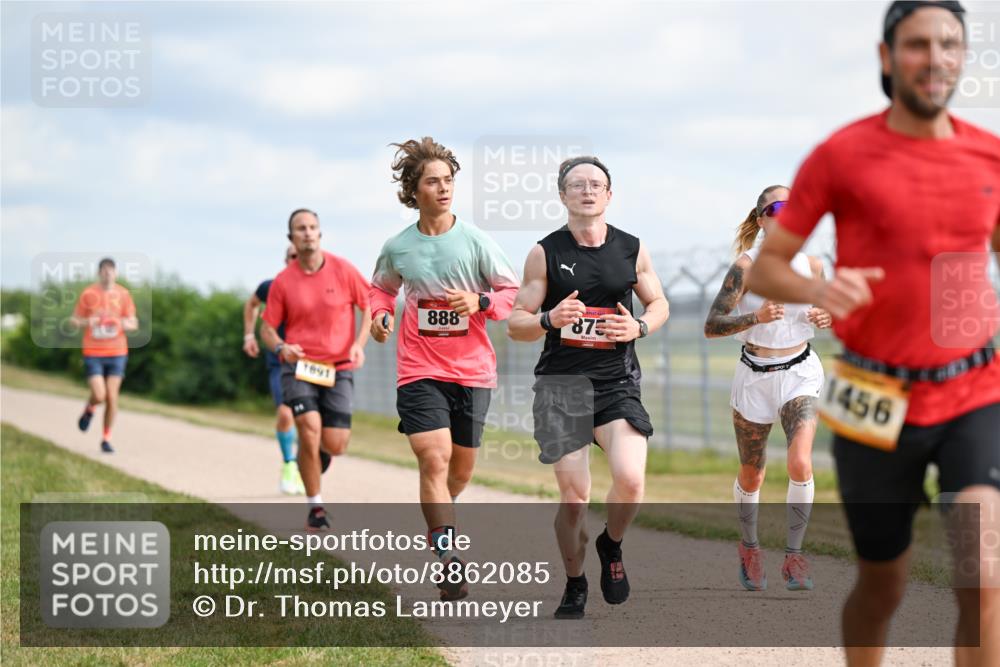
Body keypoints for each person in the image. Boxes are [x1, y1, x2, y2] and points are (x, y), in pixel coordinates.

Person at [748, 2, 1000, 665]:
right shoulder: (842, 155)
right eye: (917, 44)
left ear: (963, 56)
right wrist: (818, 289)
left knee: (983, 576)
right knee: (883, 583)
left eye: (949, 44)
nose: (935, 58)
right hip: (873, 396)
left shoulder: (990, 155)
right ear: (887, 57)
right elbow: (769, 266)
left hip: (973, 391)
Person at [508, 156, 669, 619]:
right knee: (575, 499)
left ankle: (611, 544)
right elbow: (515, 324)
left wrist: (639, 327)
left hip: (616, 382)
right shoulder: (545, 252)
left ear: (609, 195)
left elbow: (659, 303)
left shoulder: (631, 248)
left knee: (631, 480)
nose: (587, 190)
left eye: (596, 184)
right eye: (577, 184)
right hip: (561, 387)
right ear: (562, 195)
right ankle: (575, 581)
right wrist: (548, 318)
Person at [369, 137, 520, 601]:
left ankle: (439, 519)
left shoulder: (475, 241)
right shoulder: (399, 247)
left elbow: (512, 294)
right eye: (433, 181)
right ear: (413, 191)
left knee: (459, 471)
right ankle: (449, 557)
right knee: (432, 458)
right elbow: (380, 289)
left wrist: (480, 301)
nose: (444, 188)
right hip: (419, 368)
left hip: (472, 371)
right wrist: (381, 315)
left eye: (449, 180)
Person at [704, 185, 832, 592]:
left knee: (800, 462)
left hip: (800, 372)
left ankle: (794, 557)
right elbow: (712, 326)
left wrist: (827, 317)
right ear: (762, 219)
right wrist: (755, 317)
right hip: (755, 376)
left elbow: (832, 312)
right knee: (752, 473)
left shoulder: (813, 266)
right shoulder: (745, 267)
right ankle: (750, 547)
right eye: (777, 207)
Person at [260, 209, 372, 530]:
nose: (307, 232)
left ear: (320, 234)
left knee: (336, 443)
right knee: (308, 427)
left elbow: (370, 305)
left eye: (312, 227)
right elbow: (267, 329)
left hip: (339, 365)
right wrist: (281, 348)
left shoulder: (343, 269)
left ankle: (314, 455)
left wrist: (359, 344)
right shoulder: (283, 281)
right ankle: (316, 507)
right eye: (301, 228)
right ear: (291, 238)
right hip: (299, 366)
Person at [243, 244, 305, 495]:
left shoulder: (319, 287)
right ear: (285, 260)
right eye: (292, 256)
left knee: (312, 420)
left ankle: (304, 466)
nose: (296, 259)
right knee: (285, 414)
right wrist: (249, 335)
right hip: (279, 360)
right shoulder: (271, 287)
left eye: (300, 255)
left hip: (311, 362)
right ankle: (289, 464)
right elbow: (251, 304)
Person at [72, 257, 139, 453]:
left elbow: (133, 323)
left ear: (115, 273)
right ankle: (90, 408)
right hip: (93, 352)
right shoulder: (89, 294)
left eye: (111, 271)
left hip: (117, 352)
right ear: (99, 273)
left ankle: (106, 438)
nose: (108, 274)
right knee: (99, 395)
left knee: (112, 396)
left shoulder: (123, 294)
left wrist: (120, 323)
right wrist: (89, 322)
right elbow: (74, 321)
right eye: (104, 271)